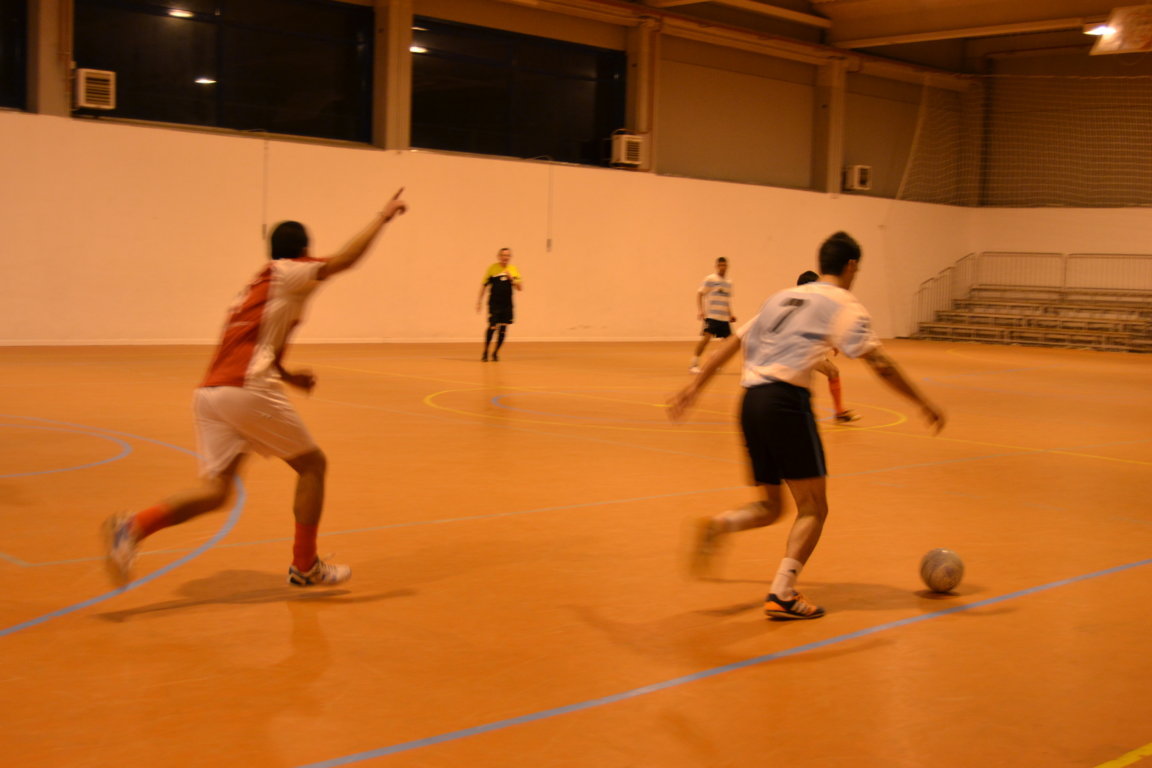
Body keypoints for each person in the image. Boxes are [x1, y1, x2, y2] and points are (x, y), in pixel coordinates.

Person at [102, 189, 409, 588]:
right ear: (303, 251)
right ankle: (305, 566)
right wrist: (383, 216)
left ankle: (132, 527)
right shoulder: (290, 271)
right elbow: (345, 260)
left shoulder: (259, 287)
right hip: (244, 388)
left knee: (216, 491)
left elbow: (263, 346)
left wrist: (289, 376)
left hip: (211, 393)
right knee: (312, 466)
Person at [668, 232, 945, 620]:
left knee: (771, 506)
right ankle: (782, 593)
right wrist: (922, 401)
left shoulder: (780, 298)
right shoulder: (842, 302)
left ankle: (720, 525)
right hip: (785, 403)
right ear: (851, 266)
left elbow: (731, 345)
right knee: (814, 507)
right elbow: (880, 363)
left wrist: (694, 387)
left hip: (750, 403)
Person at [798, 270, 859, 424]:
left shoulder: (801, 302)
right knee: (816, 377)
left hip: (805, 349)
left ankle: (838, 411)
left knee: (831, 372)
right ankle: (836, 412)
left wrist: (831, 343)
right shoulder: (807, 305)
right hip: (802, 350)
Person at [689, 257, 735, 373]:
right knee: (706, 339)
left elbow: (727, 300)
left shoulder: (729, 282)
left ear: (727, 266)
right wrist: (701, 310)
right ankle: (694, 364)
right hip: (712, 316)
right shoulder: (710, 279)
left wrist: (730, 314)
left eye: (724, 265)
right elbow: (700, 294)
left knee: (728, 343)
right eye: (720, 265)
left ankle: (715, 360)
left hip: (724, 318)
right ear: (716, 266)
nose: (722, 267)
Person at [476, 247, 522, 361]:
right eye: (503, 255)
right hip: (494, 303)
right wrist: (479, 301)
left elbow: (519, 287)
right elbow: (484, 285)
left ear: (510, 257)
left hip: (507, 305)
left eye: (507, 255)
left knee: (503, 329)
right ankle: (485, 352)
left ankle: (495, 353)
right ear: (499, 257)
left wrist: (511, 279)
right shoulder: (492, 269)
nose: (505, 257)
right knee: (492, 327)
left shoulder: (513, 269)